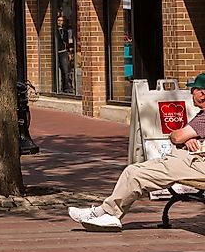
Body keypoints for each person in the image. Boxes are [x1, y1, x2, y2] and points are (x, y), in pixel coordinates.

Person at [69, 73, 205, 231]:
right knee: (133, 171)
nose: (191, 95)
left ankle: (109, 215)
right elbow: (183, 136)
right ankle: (101, 212)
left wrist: (181, 137)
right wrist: (188, 137)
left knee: (135, 174)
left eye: (193, 90)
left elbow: (177, 136)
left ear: (201, 93)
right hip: (190, 161)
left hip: (195, 164)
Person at [55, 14, 76, 94]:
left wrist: (69, 52)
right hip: (56, 52)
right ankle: (56, 88)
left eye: (62, 21)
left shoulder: (65, 31)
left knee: (65, 71)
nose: (60, 22)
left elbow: (68, 42)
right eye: (59, 21)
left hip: (63, 52)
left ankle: (66, 88)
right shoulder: (55, 31)